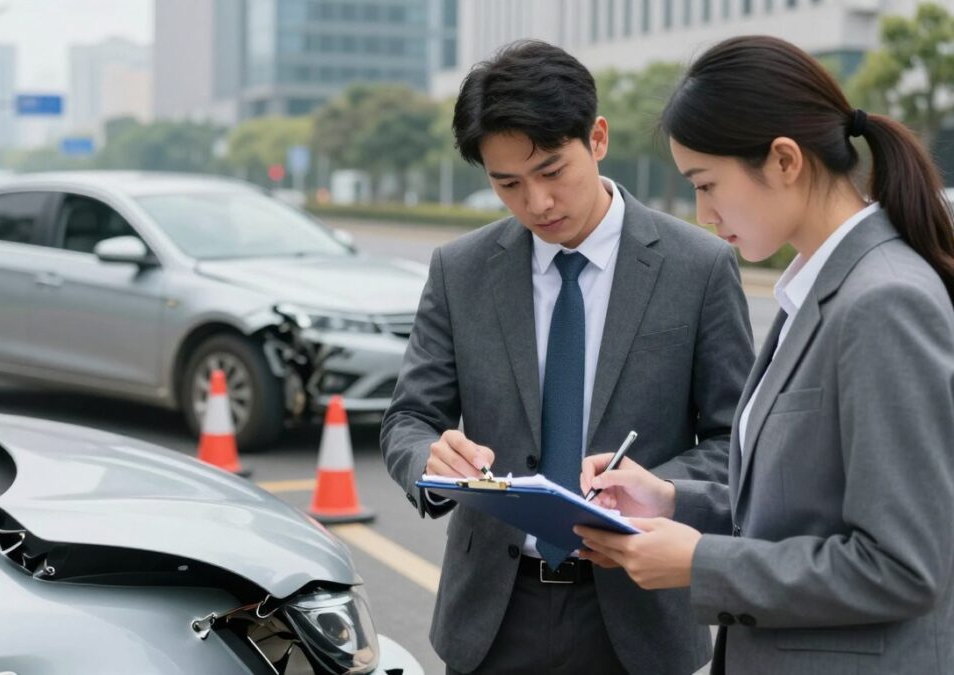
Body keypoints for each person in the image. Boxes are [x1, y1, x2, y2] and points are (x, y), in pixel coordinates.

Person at [576, 36, 954, 675]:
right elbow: (801, 504)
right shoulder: (816, 288)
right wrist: (670, 501)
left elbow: (902, 567)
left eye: (706, 184)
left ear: (784, 160)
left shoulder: (883, 301)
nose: (702, 213)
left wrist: (700, 562)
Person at [381, 40, 755, 674]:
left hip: (639, 611)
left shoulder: (698, 267)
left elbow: (735, 439)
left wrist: (656, 490)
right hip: (493, 614)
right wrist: (431, 461)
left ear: (597, 138)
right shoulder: (460, 270)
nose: (537, 203)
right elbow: (408, 419)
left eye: (552, 171)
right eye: (507, 184)